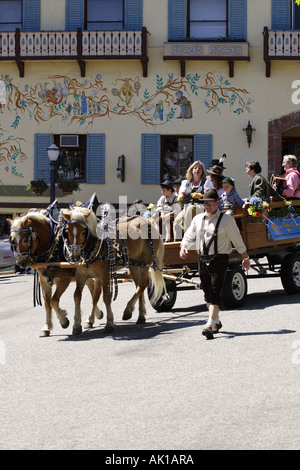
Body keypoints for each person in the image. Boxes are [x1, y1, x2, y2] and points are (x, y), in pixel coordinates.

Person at [180, 189, 250, 340]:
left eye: (210, 202)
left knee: (215, 290)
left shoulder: (227, 220)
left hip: (220, 259)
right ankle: (216, 322)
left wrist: (245, 257)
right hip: (202, 259)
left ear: (217, 203)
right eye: (205, 203)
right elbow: (189, 235)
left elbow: (237, 240)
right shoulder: (198, 219)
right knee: (207, 293)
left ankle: (210, 324)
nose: (207, 205)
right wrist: (183, 246)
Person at [173, 161, 206, 240]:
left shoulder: (206, 182)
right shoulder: (185, 183)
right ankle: (177, 242)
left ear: (202, 171)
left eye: (200, 168)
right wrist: (180, 197)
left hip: (201, 206)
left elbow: (210, 195)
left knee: (190, 210)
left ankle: (188, 238)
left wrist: (201, 196)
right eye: (195, 168)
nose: (197, 170)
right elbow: (181, 193)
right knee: (176, 221)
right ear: (192, 170)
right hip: (187, 206)